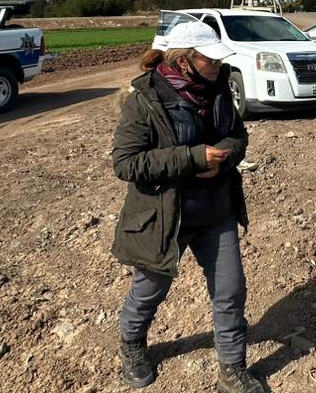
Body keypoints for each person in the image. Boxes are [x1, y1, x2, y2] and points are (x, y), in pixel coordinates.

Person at [110, 21, 269, 392]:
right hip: (165, 218)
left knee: (230, 291)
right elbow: (126, 163)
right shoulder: (144, 100)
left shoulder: (217, 89)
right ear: (184, 61)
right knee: (150, 290)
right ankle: (131, 344)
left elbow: (238, 135)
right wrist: (192, 158)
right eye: (210, 60)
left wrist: (225, 157)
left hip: (216, 211)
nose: (217, 66)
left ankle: (232, 371)